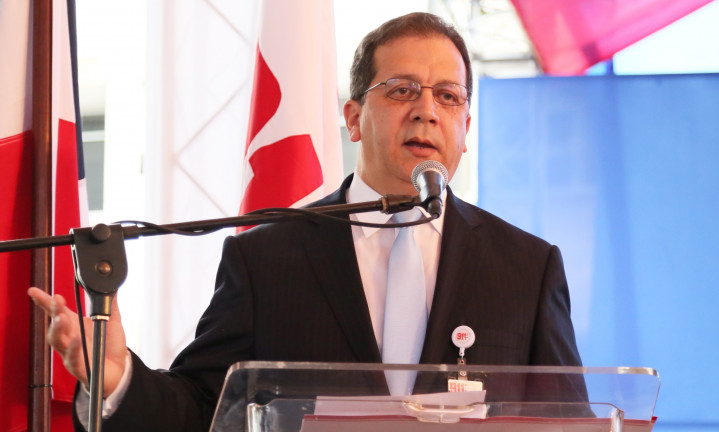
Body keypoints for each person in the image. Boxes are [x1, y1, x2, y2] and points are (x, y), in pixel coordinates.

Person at [28, 12, 582, 431]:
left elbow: (570, 421)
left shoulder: (525, 269)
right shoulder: (267, 258)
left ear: (465, 129)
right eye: (402, 90)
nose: (427, 111)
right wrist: (117, 376)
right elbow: (203, 408)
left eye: (448, 96)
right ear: (353, 119)